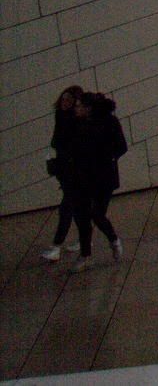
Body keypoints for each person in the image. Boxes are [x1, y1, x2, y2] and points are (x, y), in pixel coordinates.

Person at [73, 92, 126, 265]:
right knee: (84, 214)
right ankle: (85, 253)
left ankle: (114, 240)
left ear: (88, 108)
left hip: (103, 177)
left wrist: (107, 157)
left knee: (97, 214)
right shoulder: (79, 124)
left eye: (79, 106)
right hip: (85, 177)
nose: (76, 109)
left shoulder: (108, 122)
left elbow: (121, 146)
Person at [39, 87, 88, 262]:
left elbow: (62, 143)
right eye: (64, 99)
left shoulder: (72, 120)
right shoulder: (63, 117)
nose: (65, 102)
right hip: (66, 169)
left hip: (72, 170)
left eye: (69, 100)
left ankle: (57, 246)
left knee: (67, 207)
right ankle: (83, 240)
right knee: (73, 207)